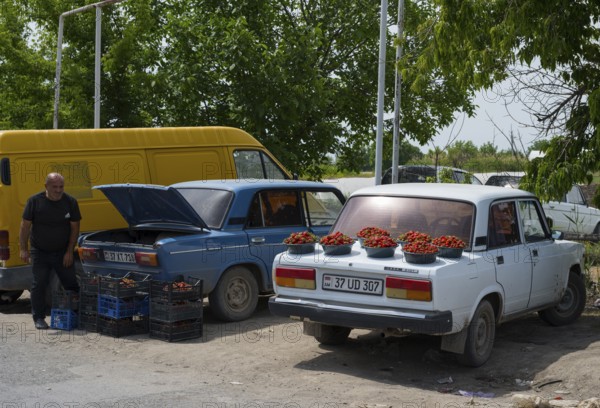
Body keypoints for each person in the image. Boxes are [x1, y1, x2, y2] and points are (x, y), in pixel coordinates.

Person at [19, 173, 81, 330]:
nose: (58, 190)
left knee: (71, 283)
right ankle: (39, 318)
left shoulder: (70, 202)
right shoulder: (34, 201)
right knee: (39, 283)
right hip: (40, 251)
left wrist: (69, 251)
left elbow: (75, 227)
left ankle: (77, 314)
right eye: (55, 187)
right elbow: (25, 227)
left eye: (61, 187)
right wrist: (23, 249)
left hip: (62, 251)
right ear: (46, 186)